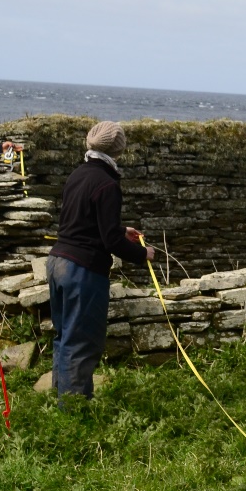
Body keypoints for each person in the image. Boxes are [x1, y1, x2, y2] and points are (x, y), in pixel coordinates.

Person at [46, 121, 155, 400]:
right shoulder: (107, 183)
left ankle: (59, 401)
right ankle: (73, 413)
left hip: (57, 261)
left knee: (64, 337)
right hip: (82, 269)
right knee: (82, 342)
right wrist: (143, 254)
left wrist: (120, 229)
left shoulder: (78, 174)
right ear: (119, 148)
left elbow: (80, 221)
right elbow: (111, 243)